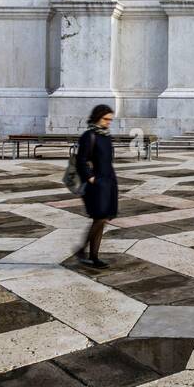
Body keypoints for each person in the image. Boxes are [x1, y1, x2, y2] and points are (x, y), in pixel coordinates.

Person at [76, 104, 118, 268]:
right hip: (96, 184)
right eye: (106, 119)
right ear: (97, 117)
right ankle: (83, 250)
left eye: (110, 120)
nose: (108, 122)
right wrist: (91, 178)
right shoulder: (89, 136)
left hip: (109, 182)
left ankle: (93, 256)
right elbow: (81, 160)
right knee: (100, 217)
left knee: (102, 219)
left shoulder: (106, 136)